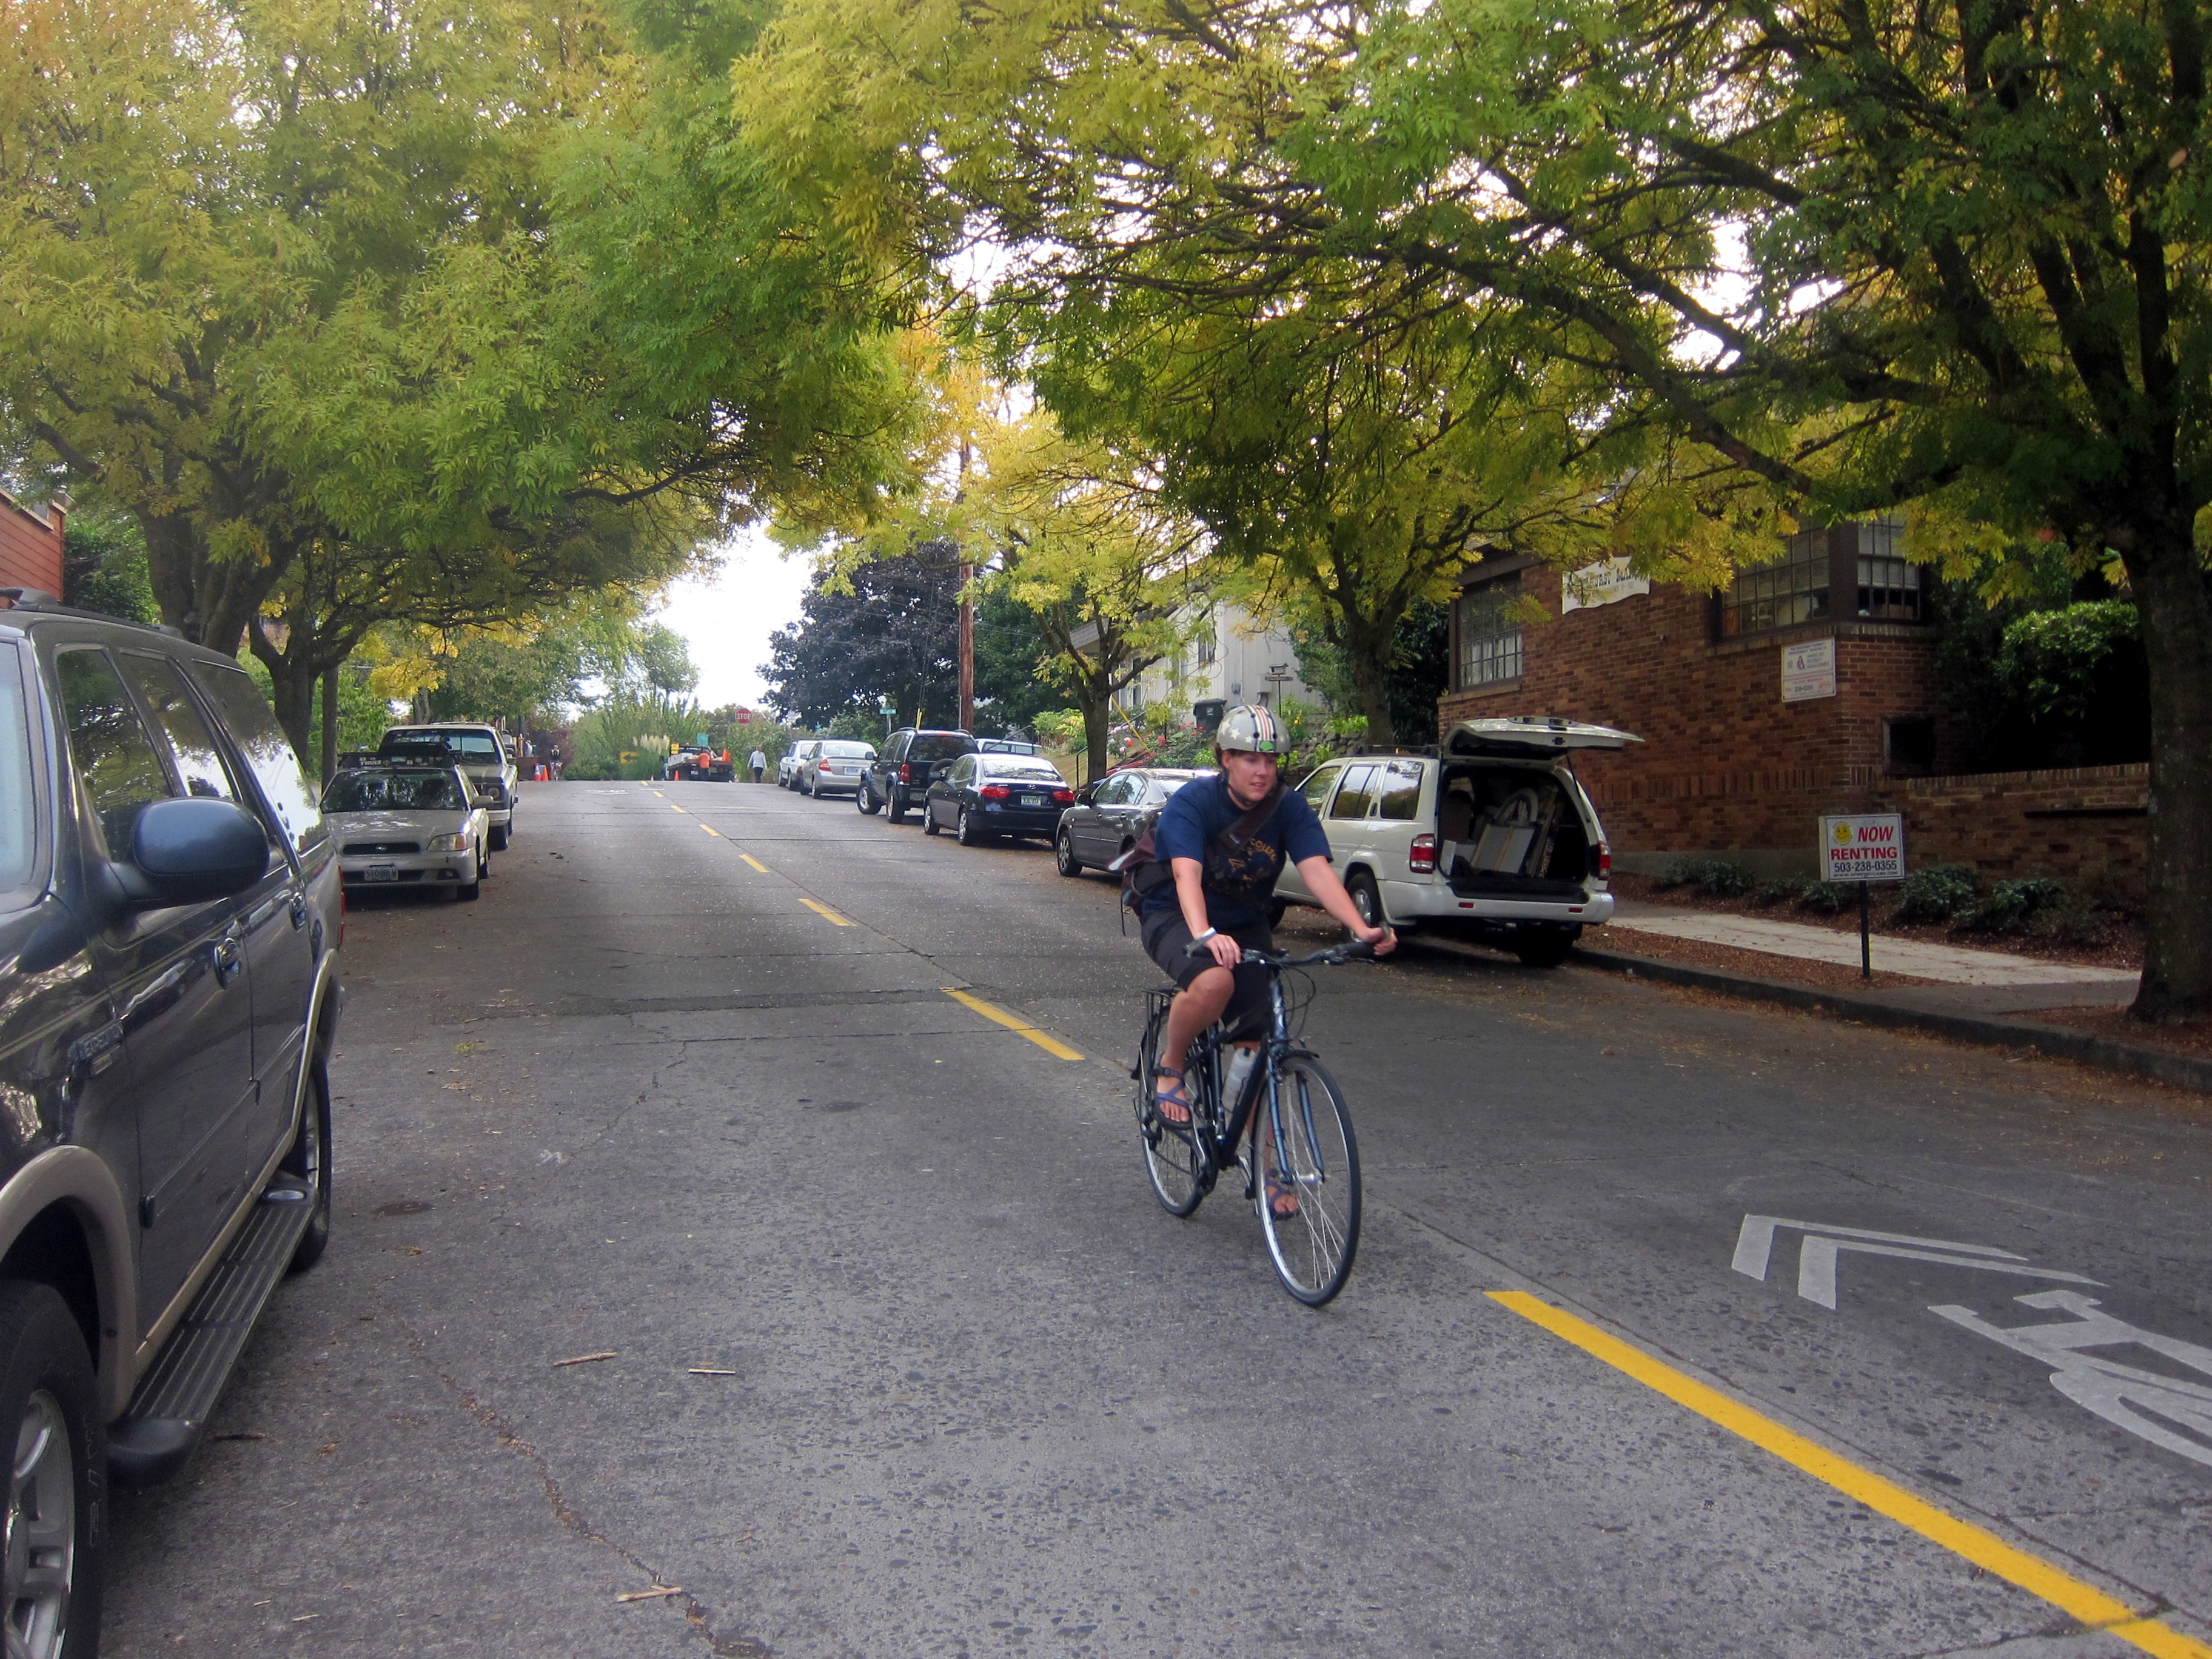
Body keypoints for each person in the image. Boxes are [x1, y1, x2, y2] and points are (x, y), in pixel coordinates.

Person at [1141, 704, 1394, 1216]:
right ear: (1226, 759)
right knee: (1214, 984)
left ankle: (1269, 1166)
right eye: (1250, 760)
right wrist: (1205, 933)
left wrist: (1360, 927)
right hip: (1177, 914)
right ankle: (1170, 1067)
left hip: (1248, 921)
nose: (1262, 771)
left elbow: (1318, 871)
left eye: (1270, 761)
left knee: (1258, 1047)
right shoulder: (1195, 803)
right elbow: (1187, 877)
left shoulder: (1288, 808)